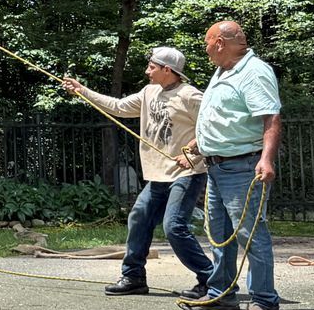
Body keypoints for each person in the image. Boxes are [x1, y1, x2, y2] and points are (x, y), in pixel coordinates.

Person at [60, 47, 212, 297]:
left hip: (186, 174)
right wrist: (82, 91)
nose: (147, 71)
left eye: (152, 67)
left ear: (167, 69)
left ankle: (211, 279)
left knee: (173, 226)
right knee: (139, 218)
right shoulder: (148, 92)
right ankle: (133, 278)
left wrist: (195, 153)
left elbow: (214, 124)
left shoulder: (190, 96)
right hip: (157, 176)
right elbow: (118, 106)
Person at [178, 20, 284, 310]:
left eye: (207, 43)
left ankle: (265, 301)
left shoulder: (254, 72)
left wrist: (266, 160)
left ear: (220, 43)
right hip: (217, 166)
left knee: (250, 235)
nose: (205, 49)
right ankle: (221, 294)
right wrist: (202, 144)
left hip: (242, 167)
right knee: (220, 234)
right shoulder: (224, 69)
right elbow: (225, 115)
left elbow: (271, 118)